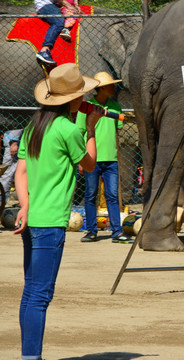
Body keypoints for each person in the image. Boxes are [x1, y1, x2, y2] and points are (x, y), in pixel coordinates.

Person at [14, 63, 102, 360]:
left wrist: (24, 205)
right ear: (75, 100)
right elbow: (89, 165)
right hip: (51, 223)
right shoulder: (69, 129)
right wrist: (90, 128)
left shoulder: (33, 126)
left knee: (31, 294)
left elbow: (21, 171)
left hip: (33, 218)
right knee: (40, 296)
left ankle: (29, 355)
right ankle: (31, 357)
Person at [76, 72, 131, 243]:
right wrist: (81, 160)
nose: (115, 88)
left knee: (112, 195)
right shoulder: (86, 107)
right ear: (102, 88)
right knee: (91, 194)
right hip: (92, 159)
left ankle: (117, 232)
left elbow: (117, 130)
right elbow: (80, 133)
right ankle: (92, 231)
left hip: (111, 159)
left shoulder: (115, 106)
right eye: (111, 85)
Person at [35, 0, 80, 65]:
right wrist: (69, 6)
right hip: (46, 6)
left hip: (52, 6)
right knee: (58, 21)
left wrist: (75, 6)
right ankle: (44, 50)